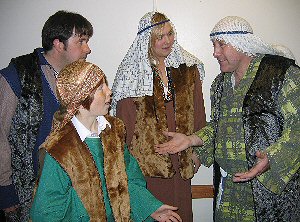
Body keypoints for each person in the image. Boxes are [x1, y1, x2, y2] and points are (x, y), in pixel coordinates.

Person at [155, 16, 300, 221]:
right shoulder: (220, 84)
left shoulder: (281, 75)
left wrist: (272, 158)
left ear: (242, 43)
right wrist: (191, 140)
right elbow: (219, 126)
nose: (215, 52)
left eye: (221, 45)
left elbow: (297, 128)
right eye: (214, 45)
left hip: (269, 190)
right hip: (229, 190)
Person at [30, 60, 182, 222]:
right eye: (101, 88)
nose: (109, 91)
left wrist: (149, 207)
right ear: (80, 100)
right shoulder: (60, 149)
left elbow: (130, 178)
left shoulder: (113, 132)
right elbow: (47, 212)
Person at [111, 11, 206, 221]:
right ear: (147, 40)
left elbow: (198, 114)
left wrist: (198, 154)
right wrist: (126, 172)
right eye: (160, 36)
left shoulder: (188, 70)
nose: (167, 41)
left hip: (181, 163)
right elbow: (121, 129)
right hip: (145, 171)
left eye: (170, 34)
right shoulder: (131, 74)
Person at [0, 10, 93, 221]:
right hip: (25, 191)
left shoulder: (81, 78)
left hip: (68, 187)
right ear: (59, 44)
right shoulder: (17, 75)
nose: (88, 49)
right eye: (81, 41)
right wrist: (4, 188)